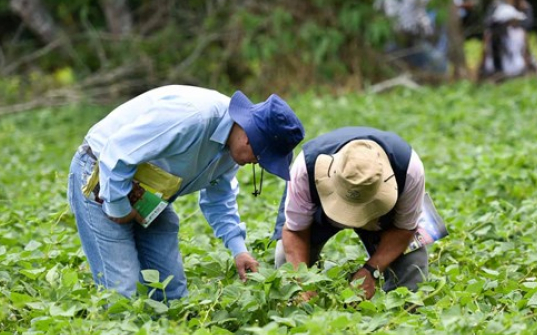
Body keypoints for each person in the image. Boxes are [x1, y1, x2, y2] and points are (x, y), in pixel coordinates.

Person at [67, 85, 305, 301]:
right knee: (123, 292)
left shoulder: (230, 152)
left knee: (172, 293)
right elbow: (117, 153)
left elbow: (219, 198)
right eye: (262, 157)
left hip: (149, 192)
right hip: (102, 174)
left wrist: (238, 249)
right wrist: (119, 208)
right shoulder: (194, 117)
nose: (257, 164)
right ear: (249, 137)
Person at [271, 126, 432, 300]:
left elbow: (405, 228)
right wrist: (302, 283)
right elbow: (295, 231)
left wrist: (371, 271)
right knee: (285, 261)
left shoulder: (409, 168)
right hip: (319, 212)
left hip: (384, 220)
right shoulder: (305, 168)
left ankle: (404, 317)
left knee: (412, 271)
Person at [479, 2, 537, 81]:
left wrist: (480, 70)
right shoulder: (520, 33)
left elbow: (484, 53)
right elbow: (525, 53)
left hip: (492, 69)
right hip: (516, 69)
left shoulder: (489, 34)